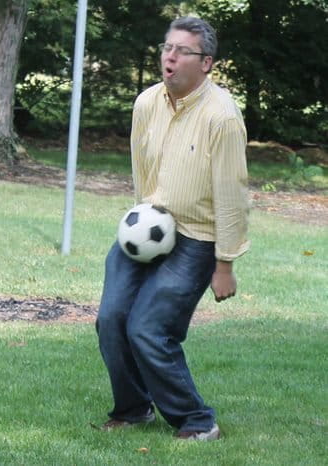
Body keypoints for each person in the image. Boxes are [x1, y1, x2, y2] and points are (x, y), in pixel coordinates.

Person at [95, 16, 249, 441]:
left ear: (206, 64)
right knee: (111, 319)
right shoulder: (146, 102)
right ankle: (132, 410)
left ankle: (198, 422)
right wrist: (143, 220)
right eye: (167, 47)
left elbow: (232, 194)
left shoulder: (222, 117)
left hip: (197, 239)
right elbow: (141, 169)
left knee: (148, 329)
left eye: (183, 51)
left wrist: (225, 263)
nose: (171, 56)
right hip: (146, 230)